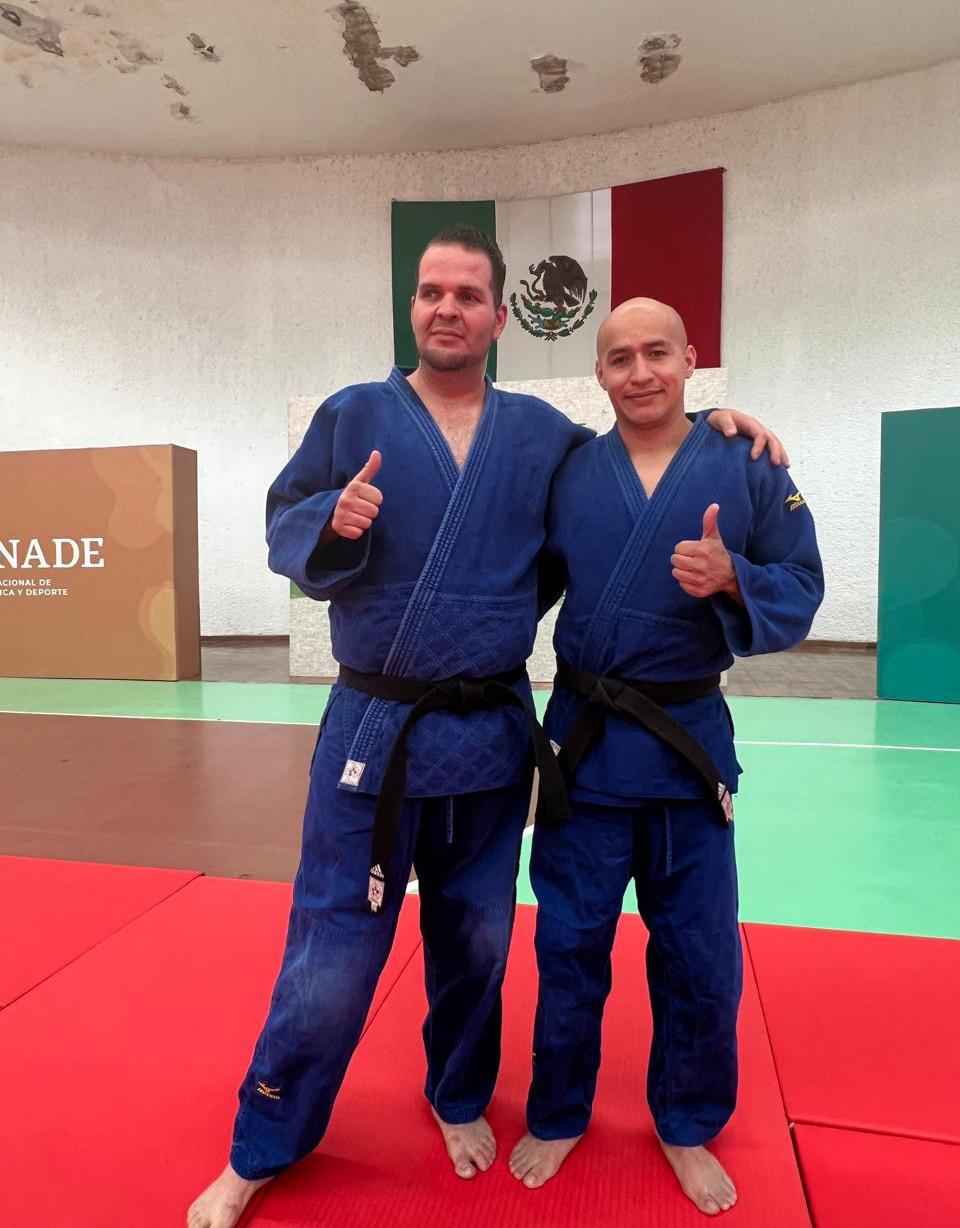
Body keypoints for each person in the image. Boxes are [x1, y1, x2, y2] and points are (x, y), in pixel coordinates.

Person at [188, 235, 782, 1228]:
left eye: (468, 294)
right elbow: (284, 519)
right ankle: (262, 1142)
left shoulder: (541, 436)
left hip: (491, 738)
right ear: (412, 308)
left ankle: (458, 1095)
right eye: (431, 291)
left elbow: (636, 457)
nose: (447, 308)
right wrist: (331, 517)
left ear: (500, 317)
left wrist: (724, 427)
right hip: (376, 730)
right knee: (330, 957)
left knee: (477, 945)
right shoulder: (354, 415)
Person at [508, 297, 824, 1217]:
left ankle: (687, 1122)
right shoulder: (571, 471)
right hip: (587, 749)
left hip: (687, 753)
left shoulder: (747, 461)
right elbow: (514, 578)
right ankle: (560, 1111)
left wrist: (736, 578)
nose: (640, 371)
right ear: (599, 374)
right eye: (620, 358)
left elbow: (803, 582)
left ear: (691, 360)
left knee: (699, 953)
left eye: (657, 352)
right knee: (569, 944)